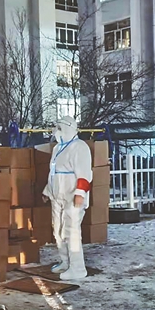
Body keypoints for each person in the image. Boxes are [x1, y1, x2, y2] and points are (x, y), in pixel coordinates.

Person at [42, 116, 93, 281]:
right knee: (58, 230)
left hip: (72, 196)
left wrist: (80, 193)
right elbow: (53, 173)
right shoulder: (57, 148)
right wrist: (48, 191)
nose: (56, 132)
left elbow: (85, 173)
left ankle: (78, 268)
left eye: (59, 128)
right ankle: (65, 262)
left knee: (72, 231)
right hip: (57, 196)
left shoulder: (80, 147)